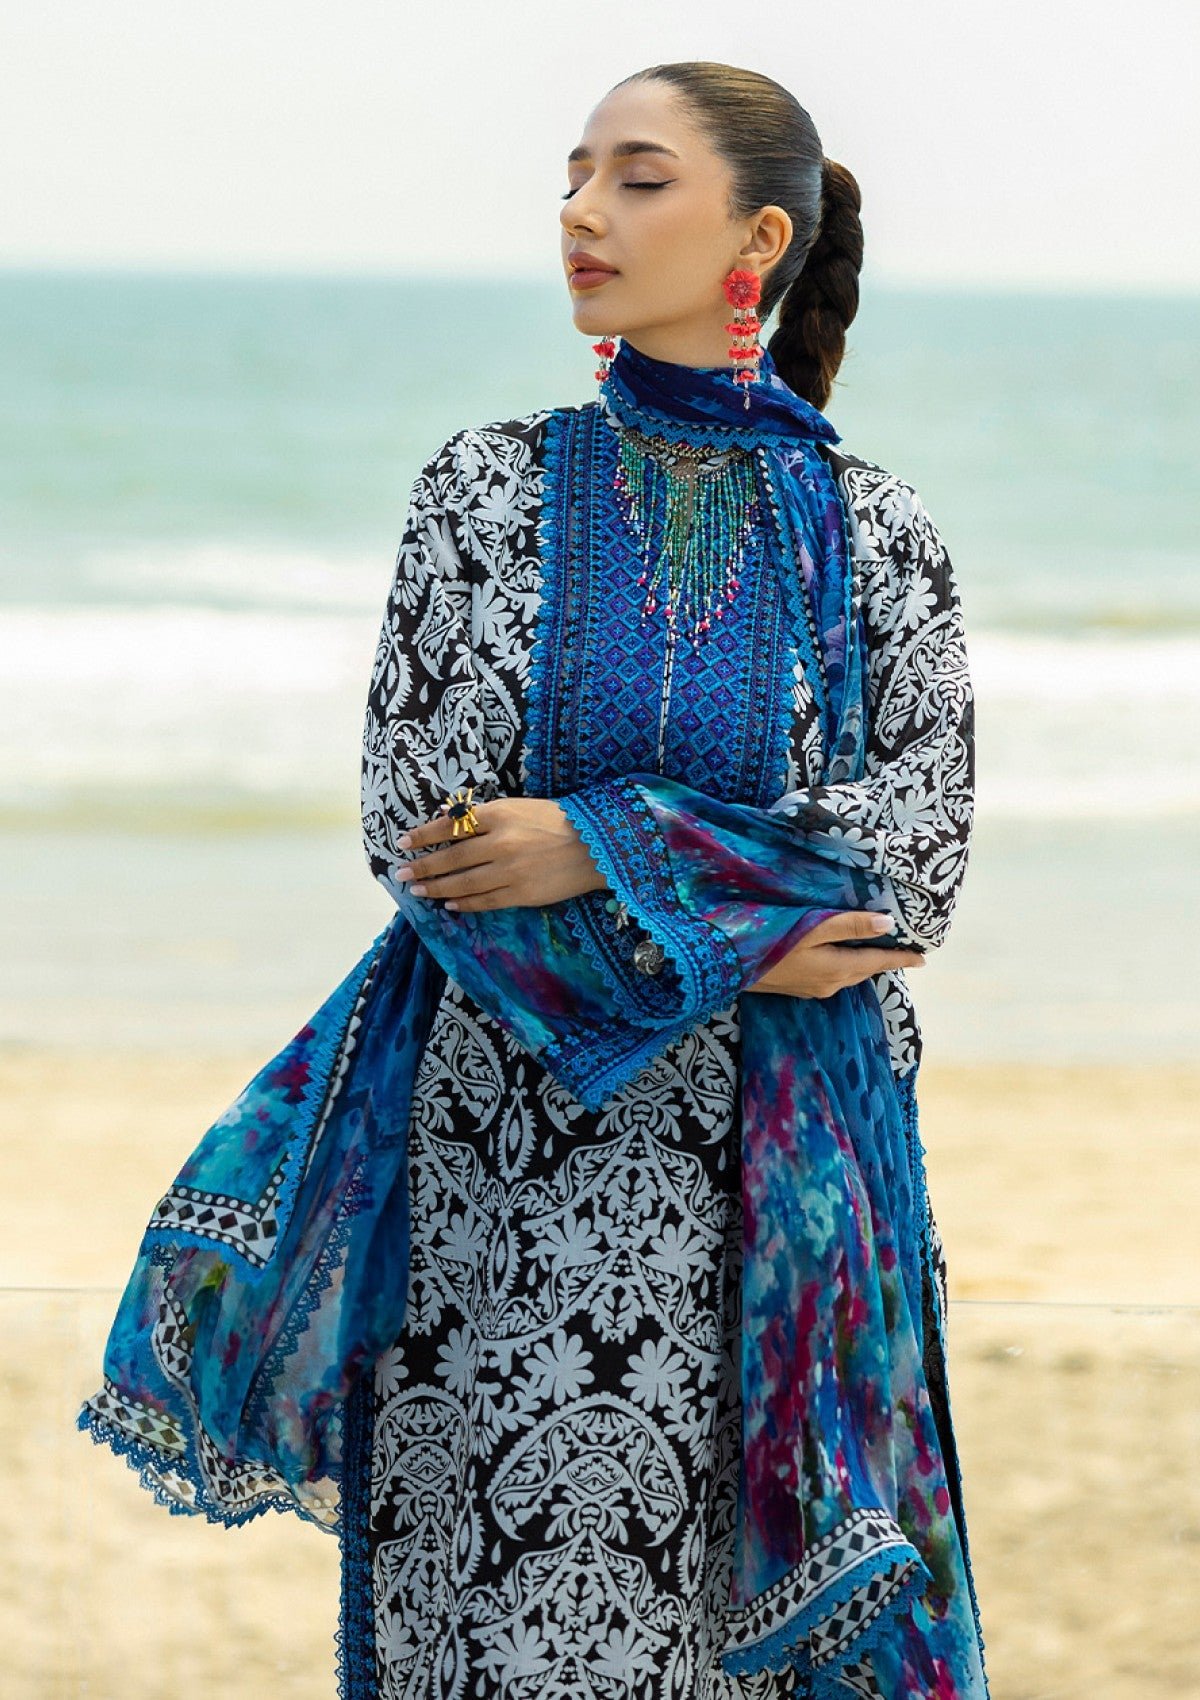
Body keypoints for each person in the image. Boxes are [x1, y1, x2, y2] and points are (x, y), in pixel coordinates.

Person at [77, 59, 989, 1700]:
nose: (580, 211)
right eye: (573, 174)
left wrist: (586, 840)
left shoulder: (877, 532)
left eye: (637, 177)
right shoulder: (486, 488)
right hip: (502, 1181)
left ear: (757, 240)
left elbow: (911, 862)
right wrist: (753, 928)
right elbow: (423, 836)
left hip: (784, 1205)